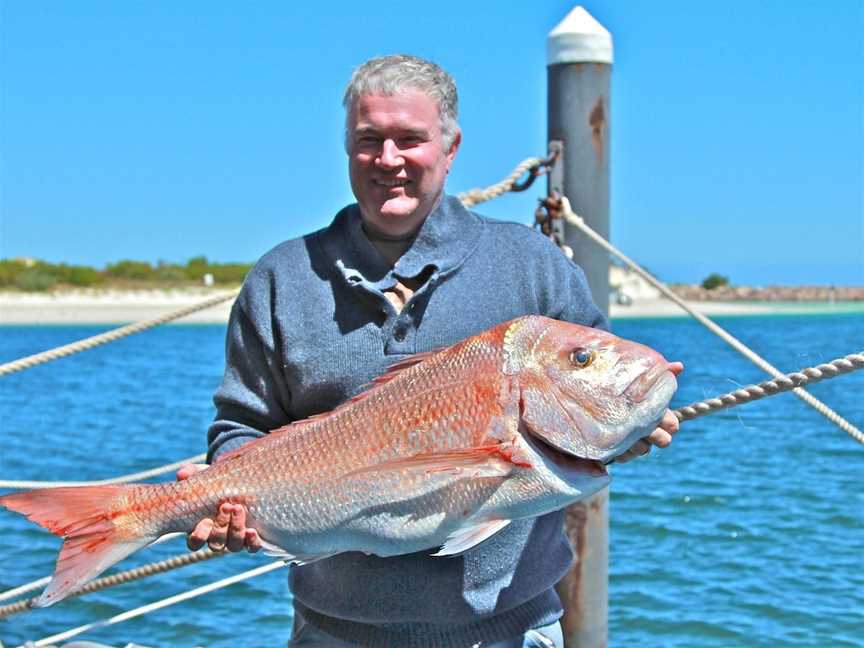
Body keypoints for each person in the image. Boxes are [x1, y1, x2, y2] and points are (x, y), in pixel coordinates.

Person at [177, 54, 681, 647]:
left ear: (450, 146)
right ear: (347, 148)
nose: (388, 160)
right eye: (369, 140)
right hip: (332, 633)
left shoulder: (532, 266)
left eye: (410, 139)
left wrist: (634, 428)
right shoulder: (280, 279)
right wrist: (225, 493)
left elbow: (592, 396)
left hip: (509, 632)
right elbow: (242, 425)